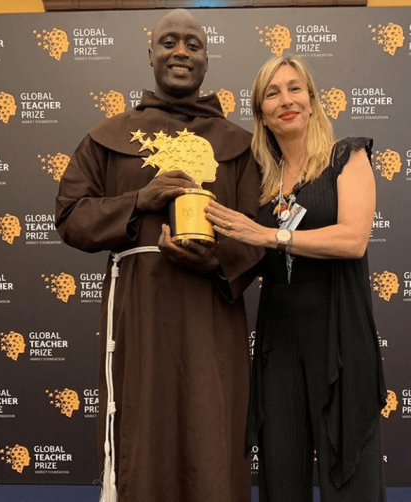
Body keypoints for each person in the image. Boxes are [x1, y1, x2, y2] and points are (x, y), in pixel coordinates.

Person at [56, 9, 262, 502]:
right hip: (139, 311)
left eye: (193, 44)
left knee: (212, 432)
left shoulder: (241, 146)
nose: (181, 52)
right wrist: (138, 201)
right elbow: (70, 216)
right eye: (168, 42)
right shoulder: (108, 136)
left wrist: (215, 260)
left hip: (211, 316)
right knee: (142, 432)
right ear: (150, 53)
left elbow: (262, 235)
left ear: (207, 60)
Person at [205, 54, 387, 502]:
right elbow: (241, 252)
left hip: (339, 336)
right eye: (272, 93)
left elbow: (353, 239)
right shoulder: (261, 179)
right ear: (261, 113)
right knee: (280, 478)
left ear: (311, 100)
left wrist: (271, 234)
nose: (285, 100)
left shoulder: (347, 155)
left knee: (351, 478)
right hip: (278, 342)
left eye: (294, 88)